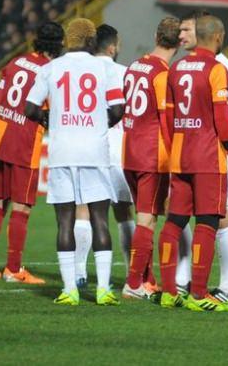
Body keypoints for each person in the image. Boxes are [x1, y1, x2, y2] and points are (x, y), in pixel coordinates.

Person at [25, 18, 125, 306]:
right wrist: (98, 125)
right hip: (94, 152)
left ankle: (69, 290)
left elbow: (30, 108)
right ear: (91, 40)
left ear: (68, 40)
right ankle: (103, 290)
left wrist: (49, 119)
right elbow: (118, 109)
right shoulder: (105, 68)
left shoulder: (50, 68)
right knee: (100, 219)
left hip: (62, 153)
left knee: (65, 221)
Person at [159, 14, 228, 312]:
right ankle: (198, 294)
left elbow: (168, 117)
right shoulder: (217, 68)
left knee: (174, 222)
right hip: (208, 157)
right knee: (207, 223)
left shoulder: (176, 67)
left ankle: (169, 291)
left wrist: (174, 148)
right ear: (218, 37)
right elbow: (222, 117)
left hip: (180, 155)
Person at [0, 21, 63, 284]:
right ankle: (13, 269)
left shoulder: (16, 62)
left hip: (0, 136)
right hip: (24, 142)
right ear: (58, 45)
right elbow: (48, 111)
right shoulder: (49, 70)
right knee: (22, 207)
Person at [120, 16, 181, 301]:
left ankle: (147, 280)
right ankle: (133, 283)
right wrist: (176, 155)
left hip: (129, 150)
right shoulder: (164, 74)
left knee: (142, 217)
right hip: (152, 155)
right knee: (147, 220)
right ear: (179, 42)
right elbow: (166, 121)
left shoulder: (134, 66)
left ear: (156, 36)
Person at [72, 24, 137, 289]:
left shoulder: (79, 72)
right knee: (124, 213)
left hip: (86, 146)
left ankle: (79, 273)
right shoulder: (125, 73)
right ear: (112, 47)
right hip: (119, 149)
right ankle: (133, 276)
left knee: (84, 209)